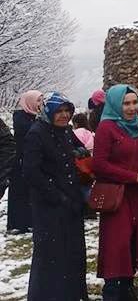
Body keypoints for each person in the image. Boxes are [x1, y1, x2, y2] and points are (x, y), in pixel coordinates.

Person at [93, 85, 138, 301]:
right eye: (125, 103)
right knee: (117, 245)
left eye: (134, 103)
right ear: (115, 104)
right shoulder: (106, 128)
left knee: (134, 242)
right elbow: (99, 165)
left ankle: (128, 288)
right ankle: (113, 292)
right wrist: (132, 177)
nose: (131, 108)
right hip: (118, 196)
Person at [24, 92, 88, 301]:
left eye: (67, 111)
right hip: (49, 206)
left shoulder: (66, 131)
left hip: (71, 202)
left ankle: (72, 294)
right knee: (50, 256)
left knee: (73, 252)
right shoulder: (37, 133)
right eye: (58, 111)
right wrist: (56, 196)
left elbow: (81, 149)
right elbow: (32, 171)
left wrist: (79, 152)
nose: (63, 115)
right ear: (48, 111)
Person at [8, 90, 42, 233]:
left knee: (30, 192)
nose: (41, 104)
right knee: (19, 193)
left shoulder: (35, 118)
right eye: (38, 101)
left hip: (31, 160)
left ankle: (29, 221)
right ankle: (16, 224)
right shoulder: (20, 117)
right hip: (21, 160)